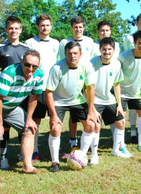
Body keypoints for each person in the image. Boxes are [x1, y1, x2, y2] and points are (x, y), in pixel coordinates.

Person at [0, 49, 44, 184]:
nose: (30, 69)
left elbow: (34, 96)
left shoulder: (39, 75)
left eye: (34, 66)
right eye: (27, 65)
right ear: (21, 61)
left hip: (11, 106)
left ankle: (27, 166)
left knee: (29, 129)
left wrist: (29, 118)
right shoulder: (9, 74)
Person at [46, 41, 99, 172]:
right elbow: (48, 92)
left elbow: (90, 88)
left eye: (75, 53)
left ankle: (81, 155)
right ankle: (55, 162)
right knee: (55, 127)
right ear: (65, 54)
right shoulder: (56, 68)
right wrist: (53, 114)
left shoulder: (87, 66)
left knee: (90, 124)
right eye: (69, 53)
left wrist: (91, 110)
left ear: (80, 54)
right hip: (59, 101)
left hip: (77, 100)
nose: (72, 56)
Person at [0, 16, 30, 170]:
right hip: (5, 96)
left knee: (24, 124)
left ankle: (23, 154)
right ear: (6, 30)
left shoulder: (26, 49)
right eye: (11, 28)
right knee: (4, 127)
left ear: (20, 30)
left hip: (22, 94)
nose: (14, 31)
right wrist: (3, 90)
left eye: (16, 28)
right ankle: (3, 158)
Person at [23, 14, 60, 162]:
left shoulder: (56, 43)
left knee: (55, 119)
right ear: (38, 27)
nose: (45, 27)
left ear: (51, 26)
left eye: (48, 25)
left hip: (52, 89)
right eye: (42, 25)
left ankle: (55, 151)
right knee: (35, 120)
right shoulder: (30, 43)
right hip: (35, 89)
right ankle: (34, 150)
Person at [57, 16, 94, 151]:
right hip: (69, 79)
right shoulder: (64, 42)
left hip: (85, 79)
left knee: (84, 112)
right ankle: (73, 141)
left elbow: (92, 60)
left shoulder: (90, 41)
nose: (78, 29)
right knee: (73, 114)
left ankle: (86, 143)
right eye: (75, 27)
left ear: (83, 27)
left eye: (80, 27)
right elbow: (61, 60)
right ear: (72, 28)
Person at [90, 37, 132, 158]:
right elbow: (87, 87)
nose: (107, 52)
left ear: (113, 50)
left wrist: (119, 104)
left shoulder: (117, 64)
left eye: (109, 49)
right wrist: (92, 108)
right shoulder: (92, 63)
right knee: (96, 125)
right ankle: (94, 155)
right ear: (100, 50)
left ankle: (116, 150)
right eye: (104, 49)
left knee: (121, 122)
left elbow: (117, 84)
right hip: (95, 100)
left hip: (109, 100)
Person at [118, 30, 141, 152]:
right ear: (134, 43)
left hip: (137, 93)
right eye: (140, 43)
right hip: (123, 93)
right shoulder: (123, 57)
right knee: (121, 119)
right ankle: (121, 145)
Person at [123, 13, 141, 144]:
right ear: (137, 23)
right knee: (133, 106)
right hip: (132, 79)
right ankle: (133, 132)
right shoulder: (129, 38)